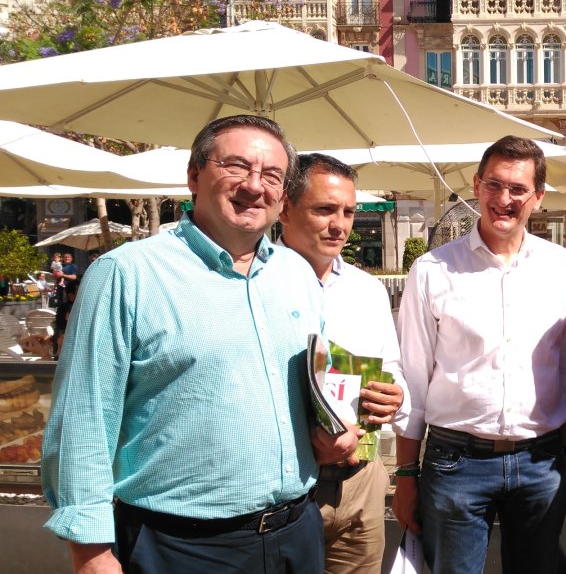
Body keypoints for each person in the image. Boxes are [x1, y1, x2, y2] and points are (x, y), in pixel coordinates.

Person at [41, 115, 358, 574]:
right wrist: (90, 552)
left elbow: (317, 384)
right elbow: (83, 418)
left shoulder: (296, 275)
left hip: (297, 533)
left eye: (271, 175)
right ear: (193, 175)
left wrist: (341, 428)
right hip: (181, 547)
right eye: (236, 167)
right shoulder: (126, 274)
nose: (254, 185)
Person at [392, 135, 566, 574]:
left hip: (542, 461)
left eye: (518, 189)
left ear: (538, 197)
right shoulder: (432, 270)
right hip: (457, 461)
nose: (504, 199)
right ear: (476, 185)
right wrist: (405, 475)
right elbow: (413, 380)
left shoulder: (561, 267)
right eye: (494, 185)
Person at [279, 153, 406, 574]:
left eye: (348, 212)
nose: (340, 224)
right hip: (288, 490)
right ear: (285, 207)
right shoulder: (256, 284)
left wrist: (394, 394)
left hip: (362, 483)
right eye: (325, 209)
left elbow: (389, 365)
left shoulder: (367, 289)